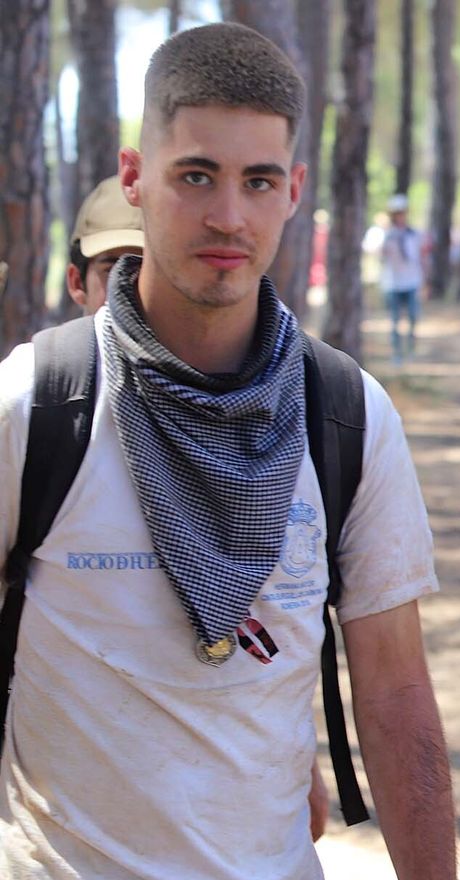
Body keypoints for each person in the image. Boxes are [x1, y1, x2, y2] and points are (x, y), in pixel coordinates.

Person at [0, 24, 460, 880]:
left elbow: (394, 689)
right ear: (135, 179)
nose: (229, 214)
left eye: (259, 180)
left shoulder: (345, 415)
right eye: (196, 176)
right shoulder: (37, 403)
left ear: (296, 189)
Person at [65, 173, 336, 838]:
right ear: (78, 283)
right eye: (114, 266)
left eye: (148, 258)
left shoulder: (274, 412)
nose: (138, 279)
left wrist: (294, 753)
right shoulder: (40, 410)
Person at [67, 175, 146, 314]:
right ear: (77, 283)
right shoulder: (55, 337)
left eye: (147, 271)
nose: (131, 289)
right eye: (112, 271)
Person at [379, 192, 426, 362]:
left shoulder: (414, 234)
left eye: (402, 212)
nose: (400, 216)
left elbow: (421, 257)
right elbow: (379, 255)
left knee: (413, 316)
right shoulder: (385, 234)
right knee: (394, 320)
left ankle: (411, 349)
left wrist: (425, 280)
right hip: (392, 283)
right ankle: (397, 352)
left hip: (412, 281)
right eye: (397, 213)